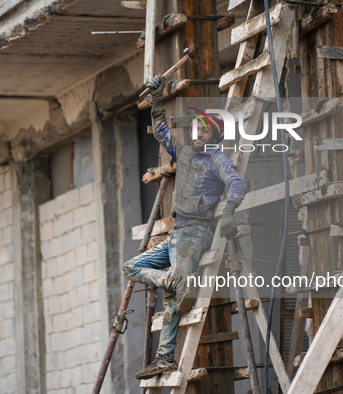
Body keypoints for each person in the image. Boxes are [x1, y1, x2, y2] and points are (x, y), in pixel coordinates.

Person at [122, 75, 247, 380]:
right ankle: (177, 282)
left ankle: (164, 358)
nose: (199, 134)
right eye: (197, 129)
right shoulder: (186, 152)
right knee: (131, 267)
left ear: (213, 135)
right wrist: (157, 97)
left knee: (171, 300)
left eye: (205, 130)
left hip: (195, 233)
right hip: (176, 234)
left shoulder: (217, 159)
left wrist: (229, 211)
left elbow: (237, 184)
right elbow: (161, 129)